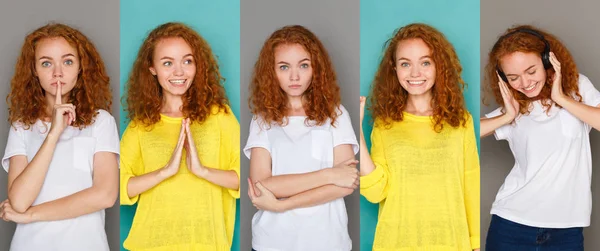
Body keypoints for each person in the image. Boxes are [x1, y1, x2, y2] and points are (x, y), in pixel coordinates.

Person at [120, 22, 240, 251]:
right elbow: (115, 187)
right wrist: (164, 172)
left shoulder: (220, 116)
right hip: (151, 244)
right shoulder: (140, 126)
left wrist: (202, 170)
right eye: (167, 63)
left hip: (206, 244)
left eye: (187, 61)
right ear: (152, 68)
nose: (179, 72)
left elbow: (248, 178)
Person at [360, 23, 480, 251]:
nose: (415, 73)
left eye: (425, 62)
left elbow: (471, 187)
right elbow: (376, 192)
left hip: (452, 243)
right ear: (394, 69)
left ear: (439, 67)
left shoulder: (461, 122)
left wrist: (475, 244)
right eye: (405, 64)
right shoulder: (384, 125)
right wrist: (358, 134)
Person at [0, 23, 119, 251]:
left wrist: (31, 215)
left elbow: (104, 195)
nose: (57, 72)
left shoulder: (100, 121)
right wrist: (54, 133)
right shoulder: (21, 127)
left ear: (80, 67)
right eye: (46, 63)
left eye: (67, 61)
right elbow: (19, 201)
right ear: (34, 70)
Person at [481, 25, 600, 250]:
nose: (525, 83)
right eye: (513, 77)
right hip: (511, 225)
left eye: (531, 71)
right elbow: (463, 132)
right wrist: (507, 115)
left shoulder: (577, 88)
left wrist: (561, 98)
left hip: (567, 230)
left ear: (548, 62)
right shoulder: (516, 106)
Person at [244, 25, 359, 251]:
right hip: (271, 242)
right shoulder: (261, 120)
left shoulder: (336, 114)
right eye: (284, 67)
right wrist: (328, 174)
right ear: (272, 71)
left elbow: (346, 184)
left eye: (303, 65)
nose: (294, 76)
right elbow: (262, 187)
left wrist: (281, 205)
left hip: (328, 241)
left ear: (316, 68)